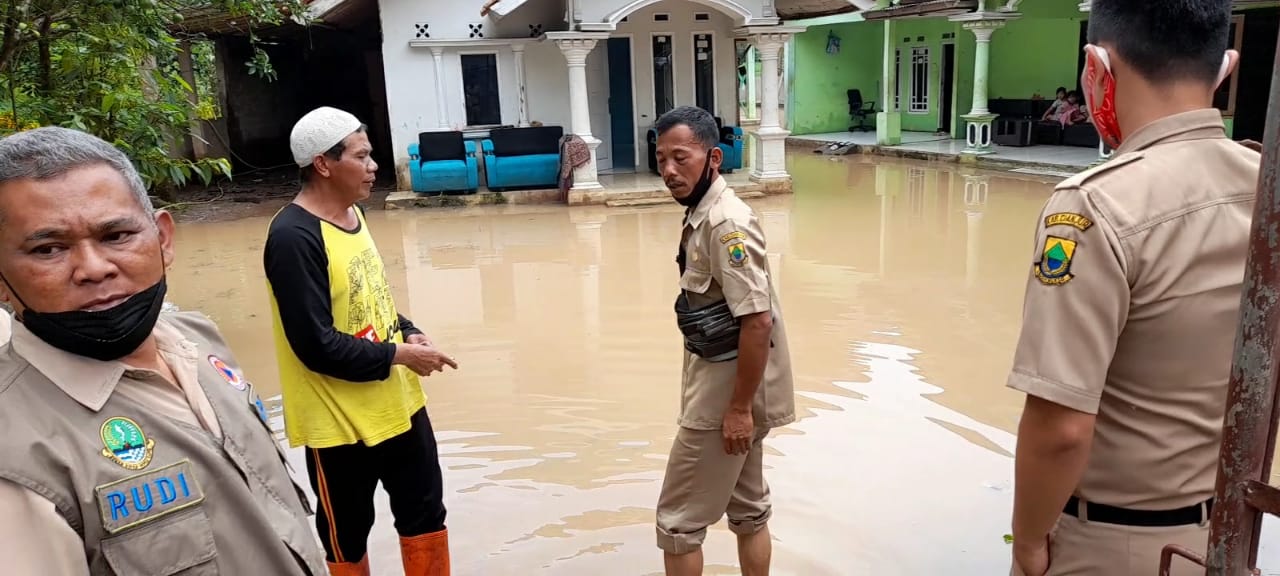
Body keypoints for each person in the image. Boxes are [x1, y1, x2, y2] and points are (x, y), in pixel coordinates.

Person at [0, 126, 327, 575]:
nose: (94, 269)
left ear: (164, 239)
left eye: (116, 235)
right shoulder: (17, 458)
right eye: (49, 248)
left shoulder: (198, 339)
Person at [1007, 1, 1256, 575]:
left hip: (1108, 545)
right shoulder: (1263, 188)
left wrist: (1026, 543)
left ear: (1096, 71)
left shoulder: (1095, 204)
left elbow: (1061, 428)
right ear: (1225, 68)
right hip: (1224, 538)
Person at [263, 106, 459, 576]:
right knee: (346, 535)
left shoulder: (355, 215)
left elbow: (371, 300)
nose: (374, 166)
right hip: (339, 424)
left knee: (426, 516)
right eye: (363, 156)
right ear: (323, 164)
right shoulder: (293, 237)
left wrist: (407, 329)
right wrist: (401, 354)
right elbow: (315, 345)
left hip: (400, 405)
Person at [652, 105, 796, 576]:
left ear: (713, 158)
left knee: (678, 525)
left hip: (724, 401)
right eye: (661, 160)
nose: (669, 171)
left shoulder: (724, 223)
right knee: (749, 509)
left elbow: (757, 322)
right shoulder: (703, 212)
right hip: (739, 391)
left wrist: (737, 411)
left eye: (681, 158)